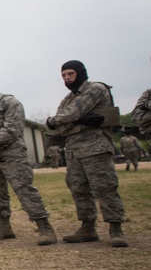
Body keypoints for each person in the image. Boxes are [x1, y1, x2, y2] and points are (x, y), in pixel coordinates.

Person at [46, 60, 128, 247]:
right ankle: (88, 227)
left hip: (95, 147)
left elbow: (68, 115)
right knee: (78, 189)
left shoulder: (96, 88)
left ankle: (116, 229)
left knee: (104, 187)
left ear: (81, 73)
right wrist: (83, 119)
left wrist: (68, 119)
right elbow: (58, 124)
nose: (67, 78)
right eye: (63, 75)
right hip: (74, 150)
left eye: (70, 74)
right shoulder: (68, 98)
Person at [0, 75, 57, 246]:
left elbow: (12, 128)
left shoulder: (9, 102)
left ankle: (45, 228)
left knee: (24, 189)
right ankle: (4, 227)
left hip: (12, 153)